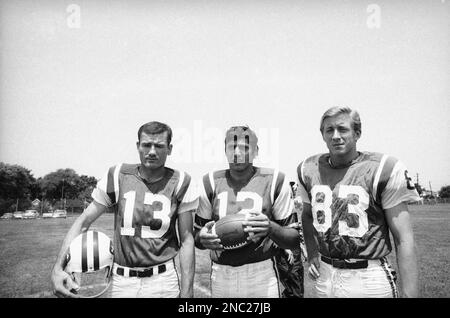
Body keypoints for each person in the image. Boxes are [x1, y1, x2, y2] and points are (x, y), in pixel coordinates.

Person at [51, 121, 198, 298]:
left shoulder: (181, 181)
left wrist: (187, 292)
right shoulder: (118, 175)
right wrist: (58, 268)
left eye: (159, 146)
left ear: (170, 148)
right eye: (146, 145)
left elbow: (187, 240)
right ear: (138, 146)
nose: (152, 151)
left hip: (163, 281)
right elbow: (83, 222)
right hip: (122, 282)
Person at [297, 106, 420, 298]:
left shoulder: (381, 168)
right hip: (326, 275)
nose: (336, 136)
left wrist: (410, 294)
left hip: (369, 278)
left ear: (357, 133)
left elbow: (403, 238)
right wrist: (312, 253)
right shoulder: (308, 168)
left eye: (342, 129)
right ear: (322, 135)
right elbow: (306, 215)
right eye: (329, 130)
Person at [194, 125, 300, 298]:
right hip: (221, 273)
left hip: (262, 274)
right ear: (225, 150)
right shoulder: (209, 182)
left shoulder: (275, 181)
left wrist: (270, 228)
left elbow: (294, 240)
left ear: (255, 150)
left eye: (245, 147)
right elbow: (197, 237)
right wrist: (203, 238)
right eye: (232, 147)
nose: (237, 152)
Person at [275, 183, 306, 298]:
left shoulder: (290, 206)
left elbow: (295, 229)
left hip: (294, 250)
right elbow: (274, 229)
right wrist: (284, 247)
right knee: (294, 290)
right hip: (287, 253)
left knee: (296, 288)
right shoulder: (279, 206)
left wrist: (302, 247)